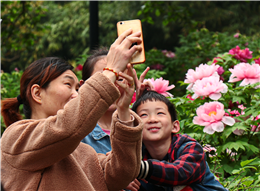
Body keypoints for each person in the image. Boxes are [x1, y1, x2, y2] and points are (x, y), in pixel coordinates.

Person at [0, 29, 144, 191]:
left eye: (78, 89)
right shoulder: (16, 138)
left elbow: (123, 174)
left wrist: (123, 109)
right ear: (37, 93)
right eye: (68, 85)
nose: (77, 95)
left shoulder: (84, 152)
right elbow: (66, 128)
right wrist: (110, 71)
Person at [80, 47, 152, 191]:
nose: (112, 85)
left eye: (119, 78)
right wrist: (111, 179)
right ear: (83, 86)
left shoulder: (138, 124)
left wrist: (143, 106)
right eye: (105, 78)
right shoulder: (78, 133)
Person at [132, 90, 228, 191]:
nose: (152, 119)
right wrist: (124, 182)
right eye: (143, 115)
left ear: (175, 126)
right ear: (135, 128)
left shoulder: (189, 147)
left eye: (160, 113)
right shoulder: (138, 155)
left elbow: (181, 172)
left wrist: (140, 169)